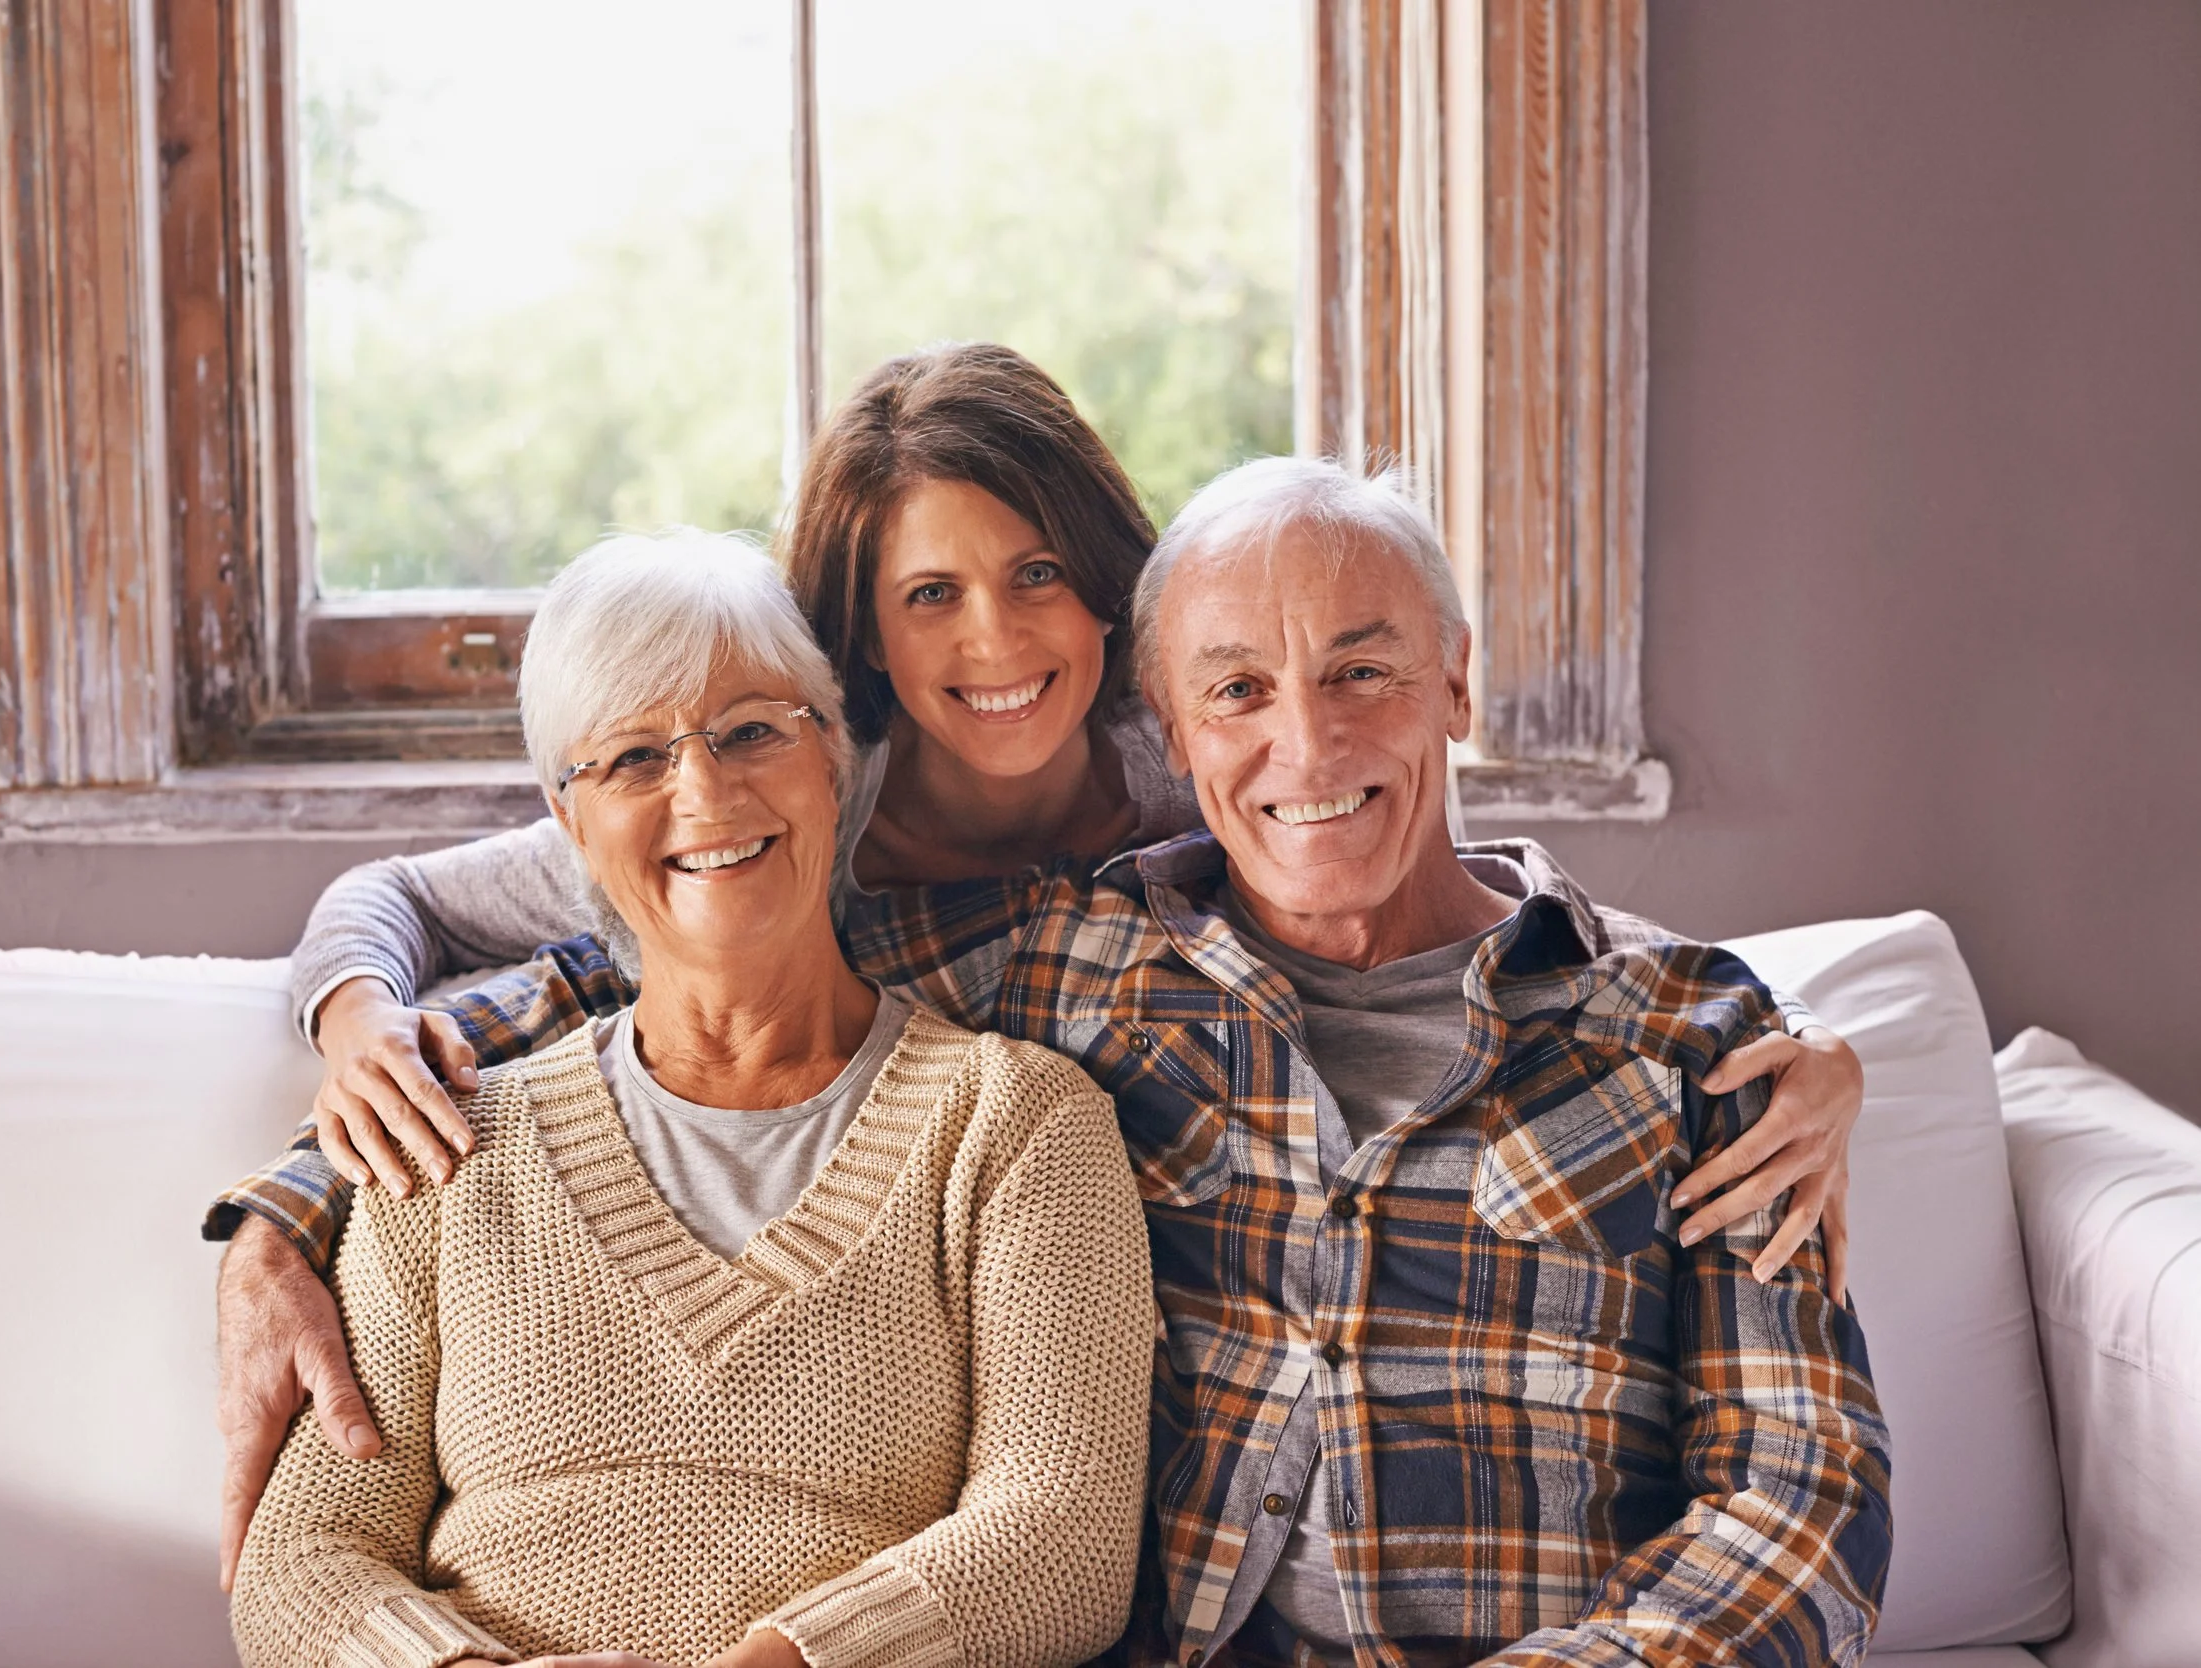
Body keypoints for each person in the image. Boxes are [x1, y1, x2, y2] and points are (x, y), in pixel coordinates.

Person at [209, 348, 1867, 1585]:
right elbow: (650, 973)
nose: (1302, 740)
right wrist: (289, 1202)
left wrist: (1785, 1032)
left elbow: (1798, 1483)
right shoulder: (939, 895)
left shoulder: (1655, 1021)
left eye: (1358, 670)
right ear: (867, 647)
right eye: (932, 595)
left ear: (1453, 682)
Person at [227, 532, 1152, 1668]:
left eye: (753, 730)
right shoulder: (454, 1143)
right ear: (569, 822)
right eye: (630, 760)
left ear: (837, 762)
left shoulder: (1017, 1125)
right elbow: (304, 1554)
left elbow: (1066, 1544)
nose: (705, 792)